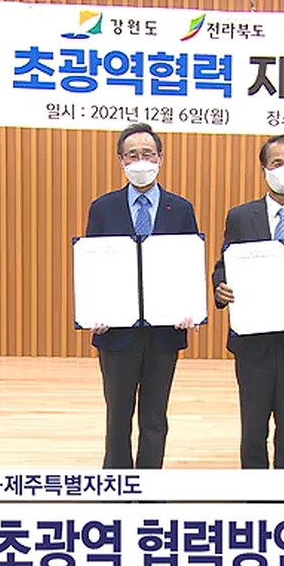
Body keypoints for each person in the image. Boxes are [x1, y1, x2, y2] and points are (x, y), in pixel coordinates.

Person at [212, 135, 284, 469]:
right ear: (264, 168)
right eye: (276, 163)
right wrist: (220, 286)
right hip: (253, 340)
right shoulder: (240, 216)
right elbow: (224, 264)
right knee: (253, 428)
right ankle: (255, 494)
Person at [85, 123, 199, 469]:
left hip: (164, 332)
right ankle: (116, 485)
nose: (140, 161)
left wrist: (190, 308)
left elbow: (189, 266)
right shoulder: (102, 208)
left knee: (154, 418)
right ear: (121, 160)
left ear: (160, 158)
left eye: (147, 154)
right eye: (132, 155)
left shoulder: (181, 209)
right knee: (117, 417)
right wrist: (92, 311)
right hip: (116, 332)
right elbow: (92, 266)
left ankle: (150, 485)